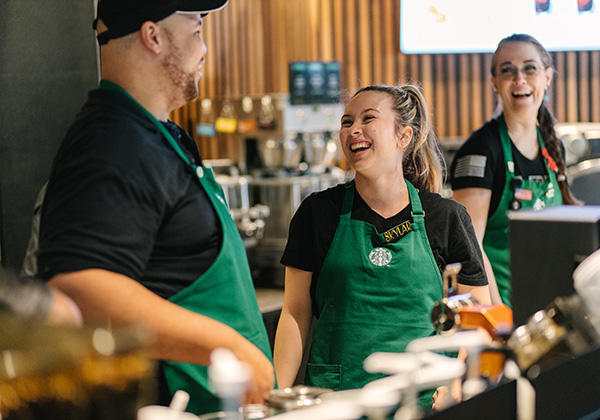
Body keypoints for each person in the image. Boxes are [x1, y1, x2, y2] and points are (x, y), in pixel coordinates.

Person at [36, 0, 274, 415]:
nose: (204, 49)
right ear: (153, 36)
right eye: (196, 31)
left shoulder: (160, 135)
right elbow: (78, 289)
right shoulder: (112, 142)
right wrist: (228, 345)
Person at [273, 84, 490, 410]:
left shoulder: (445, 217)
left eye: (368, 118)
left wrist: (457, 379)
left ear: (404, 136)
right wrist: (278, 397)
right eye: (347, 122)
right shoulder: (317, 213)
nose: (353, 129)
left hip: (424, 400)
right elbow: (294, 313)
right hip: (338, 400)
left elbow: (478, 316)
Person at [450, 34, 579, 308]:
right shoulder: (481, 150)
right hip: (503, 308)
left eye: (529, 68)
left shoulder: (553, 147)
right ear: (494, 82)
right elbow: (469, 247)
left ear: (547, 77)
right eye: (508, 70)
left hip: (551, 306)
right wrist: (498, 314)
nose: (519, 78)